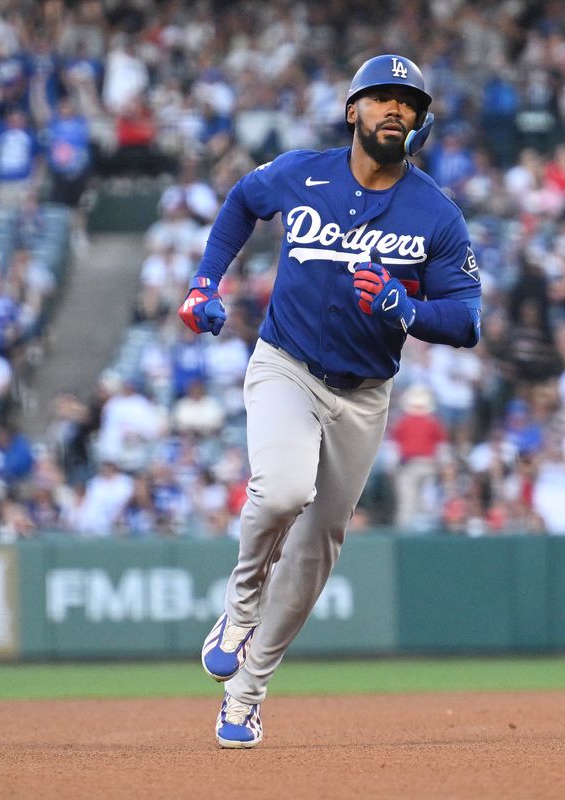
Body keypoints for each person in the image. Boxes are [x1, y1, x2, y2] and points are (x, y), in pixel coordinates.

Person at [177, 54, 482, 749]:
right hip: (286, 365)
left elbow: (466, 319)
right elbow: (241, 204)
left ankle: (247, 694)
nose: (395, 109)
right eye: (381, 98)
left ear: (420, 121)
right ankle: (239, 609)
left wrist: (407, 306)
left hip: (364, 396)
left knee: (315, 552)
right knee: (283, 490)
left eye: (407, 101)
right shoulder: (303, 171)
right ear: (353, 111)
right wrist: (204, 283)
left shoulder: (435, 211)